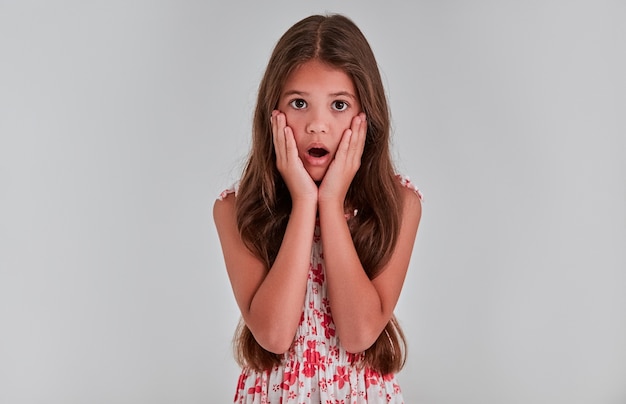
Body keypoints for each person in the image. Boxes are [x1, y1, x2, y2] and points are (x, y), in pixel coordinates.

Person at [213, 13, 423, 404]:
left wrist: (330, 201)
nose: (317, 125)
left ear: (366, 118)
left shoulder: (399, 204)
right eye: (298, 103)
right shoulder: (237, 210)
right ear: (271, 114)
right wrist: (305, 202)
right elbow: (273, 334)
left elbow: (359, 333)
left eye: (339, 105)